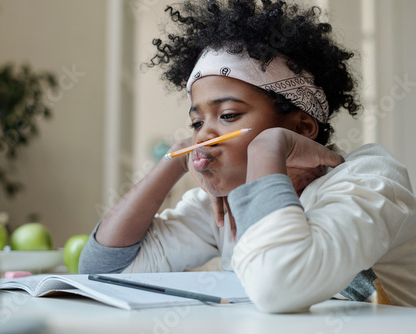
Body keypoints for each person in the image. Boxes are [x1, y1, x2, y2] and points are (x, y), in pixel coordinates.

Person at [80, 0, 416, 313]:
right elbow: (105, 269)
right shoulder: (227, 206)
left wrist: (266, 149)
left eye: (227, 115)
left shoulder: (369, 179)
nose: (204, 135)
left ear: (302, 127)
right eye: (196, 122)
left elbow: (278, 286)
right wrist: (175, 159)